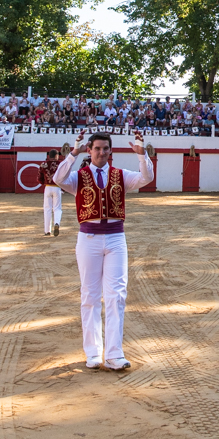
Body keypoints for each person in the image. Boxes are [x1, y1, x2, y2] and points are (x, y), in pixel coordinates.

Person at [51, 130, 155, 372]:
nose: (101, 152)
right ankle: (93, 352)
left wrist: (142, 156)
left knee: (116, 295)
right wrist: (72, 153)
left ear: (111, 151)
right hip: (88, 237)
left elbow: (146, 178)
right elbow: (58, 178)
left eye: (105, 149)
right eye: (96, 148)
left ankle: (114, 353)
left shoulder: (121, 175)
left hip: (116, 237)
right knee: (89, 295)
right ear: (90, 150)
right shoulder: (78, 177)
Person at [40, 147, 65, 236]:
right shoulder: (60, 164)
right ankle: (56, 223)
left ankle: (47, 230)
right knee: (57, 208)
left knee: (47, 209)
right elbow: (64, 176)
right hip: (57, 187)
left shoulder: (43, 164)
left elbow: (40, 178)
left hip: (47, 188)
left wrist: (45, 182)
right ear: (56, 156)